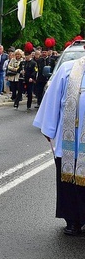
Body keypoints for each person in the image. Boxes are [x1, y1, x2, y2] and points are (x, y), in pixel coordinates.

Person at [33, 56, 85, 235]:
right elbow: (53, 97)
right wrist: (49, 128)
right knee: (68, 179)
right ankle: (73, 220)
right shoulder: (68, 69)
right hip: (70, 139)